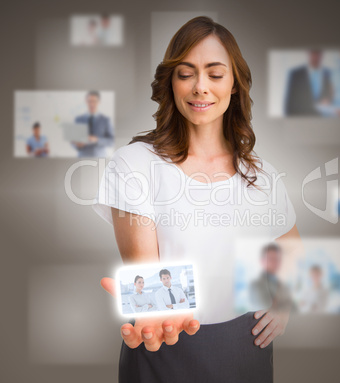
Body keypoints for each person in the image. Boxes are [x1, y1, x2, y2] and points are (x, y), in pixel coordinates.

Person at [94, 16, 302, 383]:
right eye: (186, 73)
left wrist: (283, 305)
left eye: (215, 74)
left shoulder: (261, 174)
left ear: (234, 84)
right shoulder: (136, 163)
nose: (200, 87)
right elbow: (147, 273)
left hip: (245, 345)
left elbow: (291, 244)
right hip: (166, 343)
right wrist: (158, 322)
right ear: (171, 83)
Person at [284, 49, 333, 116]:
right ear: (307, 52)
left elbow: (333, 99)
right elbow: (289, 106)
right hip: (301, 121)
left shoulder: (329, 74)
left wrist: (329, 101)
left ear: (322, 54)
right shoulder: (296, 75)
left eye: (318, 53)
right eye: (313, 52)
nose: (316, 56)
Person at [249, 243, 294, 313]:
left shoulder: (283, 285)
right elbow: (267, 311)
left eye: (277, 259)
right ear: (262, 261)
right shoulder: (256, 285)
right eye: (271, 259)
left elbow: (294, 308)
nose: (275, 263)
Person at [72, 91, 114, 157]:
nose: (91, 104)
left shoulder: (105, 120)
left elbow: (111, 141)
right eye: (89, 101)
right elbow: (73, 140)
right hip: (82, 158)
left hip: (100, 158)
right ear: (86, 102)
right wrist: (77, 145)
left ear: (99, 102)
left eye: (94, 101)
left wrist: (97, 140)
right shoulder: (78, 119)